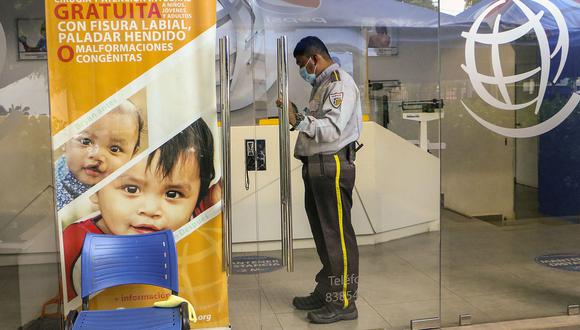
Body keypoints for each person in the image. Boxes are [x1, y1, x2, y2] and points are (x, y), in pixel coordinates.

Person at [62, 118, 219, 300]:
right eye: (131, 189)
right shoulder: (74, 244)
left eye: (173, 194)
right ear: (95, 189)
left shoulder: (194, 224)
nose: (150, 210)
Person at [282, 36, 362, 324]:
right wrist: (299, 116)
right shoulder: (323, 85)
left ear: (315, 59)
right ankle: (327, 291)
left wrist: (297, 120)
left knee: (337, 236)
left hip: (332, 165)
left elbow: (331, 128)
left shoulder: (339, 84)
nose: (303, 71)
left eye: (303, 65)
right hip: (317, 166)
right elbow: (318, 124)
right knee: (323, 235)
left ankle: (343, 302)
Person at [54, 101, 144, 210]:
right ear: (64, 141)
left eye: (114, 149)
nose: (97, 155)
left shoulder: (130, 189)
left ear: (133, 155)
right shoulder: (51, 186)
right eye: (86, 141)